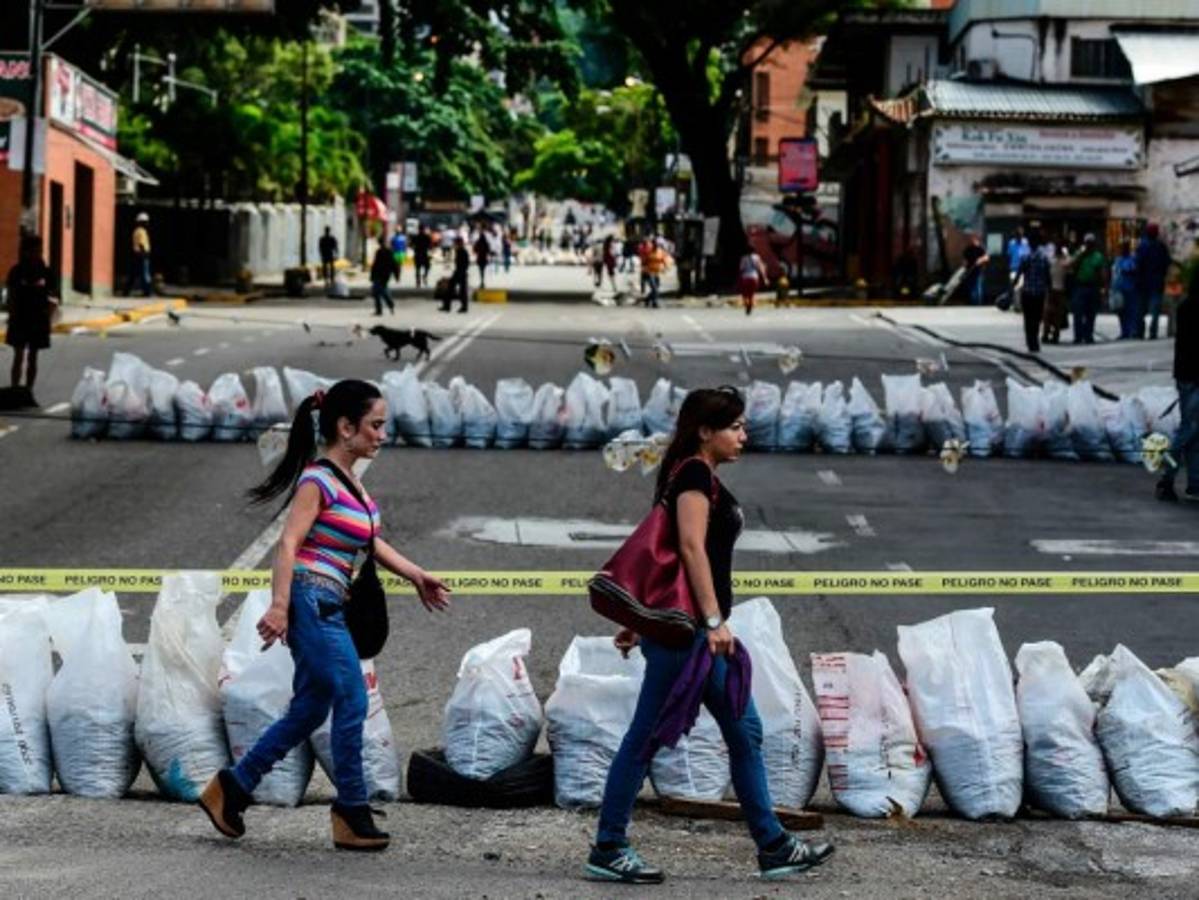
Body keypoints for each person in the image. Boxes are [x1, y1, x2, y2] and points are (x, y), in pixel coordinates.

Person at [587, 387, 835, 884]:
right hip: (692, 639)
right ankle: (608, 846)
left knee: (746, 731)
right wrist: (713, 620)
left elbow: (669, 561)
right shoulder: (695, 474)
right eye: (735, 427)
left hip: (693, 635)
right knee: (643, 739)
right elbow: (690, 548)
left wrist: (645, 620)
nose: (744, 436)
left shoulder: (695, 473)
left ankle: (774, 846)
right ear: (705, 431)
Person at [198, 379, 451, 851]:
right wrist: (279, 606)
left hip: (332, 605)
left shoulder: (350, 480)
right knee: (351, 698)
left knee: (311, 707)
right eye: (375, 426)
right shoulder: (317, 480)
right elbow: (289, 542)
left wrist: (416, 575)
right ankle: (351, 811)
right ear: (345, 426)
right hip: (311, 602)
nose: (382, 435)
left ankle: (230, 789)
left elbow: (367, 541)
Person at [1156, 262, 1199, 502]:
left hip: (1185, 375)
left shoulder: (1185, 307)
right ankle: (1167, 476)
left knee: (1194, 433)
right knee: (1188, 431)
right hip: (1195, 377)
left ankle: (1194, 483)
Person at [5, 234, 56, 404]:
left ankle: (28, 391)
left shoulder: (46, 272)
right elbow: (11, 296)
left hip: (38, 319)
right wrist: (12, 315)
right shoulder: (16, 271)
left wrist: (49, 315)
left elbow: (54, 297)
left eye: (40, 250)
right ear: (26, 252)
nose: (38, 253)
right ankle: (14, 390)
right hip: (20, 318)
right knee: (18, 355)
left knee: (33, 356)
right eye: (35, 250)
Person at [1135, 222, 1172, 340]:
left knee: (1141, 309)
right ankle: (1152, 332)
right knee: (1154, 309)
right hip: (1156, 281)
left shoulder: (1142, 246)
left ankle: (1140, 331)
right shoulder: (1161, 246)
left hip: (1144, 282)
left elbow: (1138, 264)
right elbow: (1167, 263)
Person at [1070, 234, 1107, 344]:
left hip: (1092, 287)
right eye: (1087, 243)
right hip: (1080, 286)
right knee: (1078, 313)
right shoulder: (1079, 254)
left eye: (1091, 243)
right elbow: (1071, 265)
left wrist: (1104, 287)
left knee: (1090, 313)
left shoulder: (1098, 256)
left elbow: (1102, 273)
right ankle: (1078, 336)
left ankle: (1088, 335)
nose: (1089, 245)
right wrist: (1081, 255)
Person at [1018, 237, 1051, 353]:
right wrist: (1049, 290)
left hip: (1027, 293)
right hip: (1039, 293)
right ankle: (1035, 341)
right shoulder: (1044, 258)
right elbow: (1048, 276)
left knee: (1027, 318)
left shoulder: (1026, 258)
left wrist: (1011, 289)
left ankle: (1030, 341)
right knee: (1037, 318)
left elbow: (1019, 274)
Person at [1111, 240, 1139, 340]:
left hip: (1130, 288)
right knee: (1121, 311)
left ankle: (1132, 330)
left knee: (1131, 311)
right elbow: (1115, 273)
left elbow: (1132, 270)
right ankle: (1124, 331)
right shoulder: (1117, 259)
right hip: (1119, 288)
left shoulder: (1132, 259)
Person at [1043, 244, 1070, 346]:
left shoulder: (1051, 262)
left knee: (1047, 313)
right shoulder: (1064, 263)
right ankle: (1055, 335)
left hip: (1051, 290)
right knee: (1058, 315)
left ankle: (1046, 334)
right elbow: (1071, 261)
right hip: (1060, 290)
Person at [124, 212, 153, 297]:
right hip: (142, 255)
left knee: (133, 274)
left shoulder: (137, 230)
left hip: (137, 254)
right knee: (145, 274)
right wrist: (145, 254)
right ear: (142, 222)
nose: (147, 223)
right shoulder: (141, 231)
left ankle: (126, 291)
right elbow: (141, 244)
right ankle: (147, 292)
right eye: (146, 221)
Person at [369, 237, 398, 316]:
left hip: (382, 274)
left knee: (379, 291)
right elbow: (394, 264)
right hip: (383, 274)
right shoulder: (383, 251)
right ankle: (385, 307)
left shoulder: (386, 252)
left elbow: (376, 264)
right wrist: (396, 275)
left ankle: (387, 306)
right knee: (379, 291)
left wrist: (396, 275)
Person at [443, 235, 470, 313]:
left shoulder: (462, 251)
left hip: (460, 272)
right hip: (460, 272)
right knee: (459, 290)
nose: (454, 245)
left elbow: (465, 264)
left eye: (455, 243)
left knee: (455, 290)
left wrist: (461, 272)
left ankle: (448, 306)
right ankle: (449, 306)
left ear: (459, 243)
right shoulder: (459, 251)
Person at [738, 248, 768, 316]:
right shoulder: (757, 257)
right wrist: (765, 278)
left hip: (745, 278)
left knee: (745, 294)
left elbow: (741, 269)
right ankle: (750, 305)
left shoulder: (743, 258)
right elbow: (761, 267)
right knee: (751, 294)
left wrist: (739, 279)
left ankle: (747, 304)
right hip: (754, 277)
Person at [962, 233, 988, 306]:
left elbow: (986, 257)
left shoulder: (981, 248)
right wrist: (965, 265)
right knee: (971, 287)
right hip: (970, 270)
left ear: (978, 240)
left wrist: (980, 259)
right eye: (972, 239)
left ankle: (979, 303)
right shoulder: (968, 249)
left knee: (978, 286)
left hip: (979, 271)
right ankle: (973, 302)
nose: (974, 241)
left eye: (975, 239)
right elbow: (964, 259)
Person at [643, 239, 669, 308]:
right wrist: (644, 270)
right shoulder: (648, 252)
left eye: (656, 244)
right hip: (649, 272)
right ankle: (655, 302)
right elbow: (644, 262)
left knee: (656, 288)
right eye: (654, 244)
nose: (655, 246)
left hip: (657, 272)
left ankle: (647, 299)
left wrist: (666, 267)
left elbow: (664, 260)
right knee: (654, 288)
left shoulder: (660, 252)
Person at [412, 224, 432, 288]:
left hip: (417, 254)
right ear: (423, 229)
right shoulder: (427, 236)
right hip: (424, 254)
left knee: (417, 269)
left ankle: (418, 281)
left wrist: (415, 248)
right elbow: (430, 246)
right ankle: (425, 276)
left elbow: (411, 245)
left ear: (418, 229)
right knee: (427, 267)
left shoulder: (415, 237)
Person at [318, 227, 339, 291]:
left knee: (328, 267)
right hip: (329, 254)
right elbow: (335, 247)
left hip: (327, 254)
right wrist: (336, 254)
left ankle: (328, 279)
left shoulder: (323, 238)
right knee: (329, 267)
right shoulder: (330, 238)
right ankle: (329, 279)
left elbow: (320, 248)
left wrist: (336, 253)